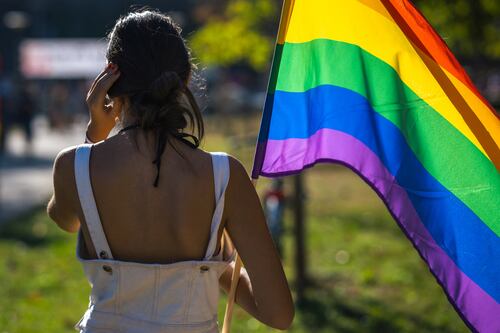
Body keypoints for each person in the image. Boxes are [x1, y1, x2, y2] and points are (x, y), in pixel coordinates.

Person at [47, 9, 294, 333]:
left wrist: (94, 136)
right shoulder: (225, 175)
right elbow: (278, 315)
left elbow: (66, 220)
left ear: (111, 83)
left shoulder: (73, 166)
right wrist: (211, 262)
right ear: (184, 80)